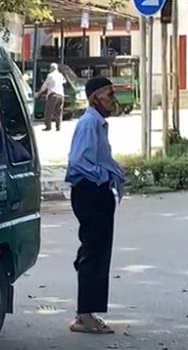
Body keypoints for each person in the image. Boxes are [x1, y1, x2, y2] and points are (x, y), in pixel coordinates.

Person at [65, 76, 125, 334]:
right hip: (90, 192)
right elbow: (78, 162)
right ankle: (84, 315)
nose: (113, 100)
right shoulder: (89, 123)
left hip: (98, 192)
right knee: (93, 252)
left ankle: (87, 312)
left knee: (98, 252)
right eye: (109, 95)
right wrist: (103, 175)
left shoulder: (99, 124)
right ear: (95, 98)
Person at [37, 63, 66, 131]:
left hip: (53, 95)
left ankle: (48, 127)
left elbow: (45, 86)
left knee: (48, 112)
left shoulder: (50, 75)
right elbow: (64, 81)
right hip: (61, 95)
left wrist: (39, 93)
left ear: (52, 68)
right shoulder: (60, 75)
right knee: (59, 112)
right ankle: (58, 127)